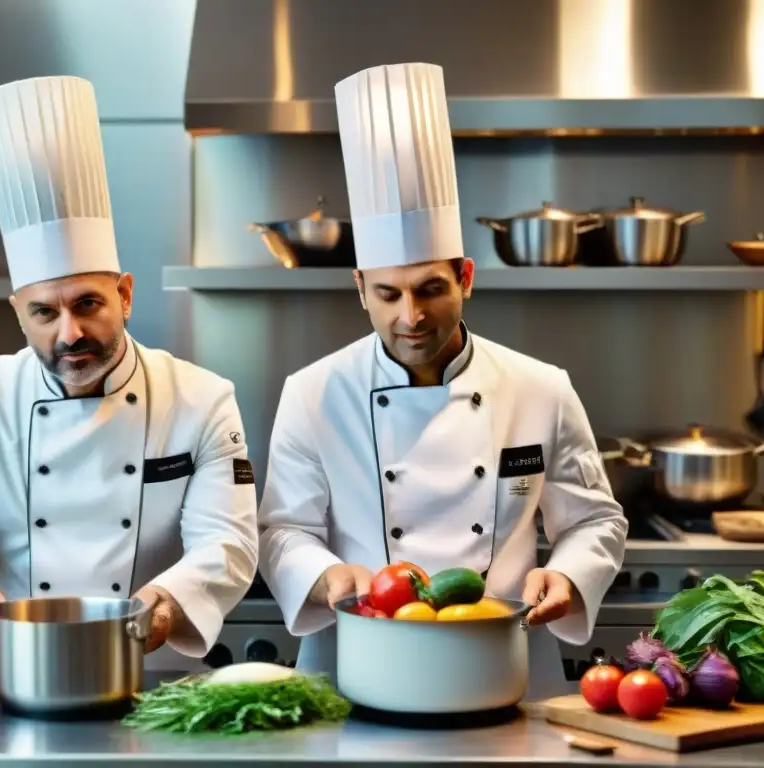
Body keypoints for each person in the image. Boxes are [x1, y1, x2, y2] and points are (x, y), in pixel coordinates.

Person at [257, 62, 628, 702]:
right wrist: (326, 577)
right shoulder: (313, 392)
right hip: (356, 663)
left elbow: (595, 521)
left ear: (467, 278)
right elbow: (281, 530)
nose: (411, 316)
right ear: (360, 291)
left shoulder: (540, 388)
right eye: (388, 294)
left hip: (501, 661)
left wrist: (567, 576)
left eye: (432, 288)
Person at [0, 75, 259, 671]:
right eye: (44, 312)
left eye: (88, 303)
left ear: (125, 295)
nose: (69, 333)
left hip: (153, 672)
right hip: (13, 668)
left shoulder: (202, 400)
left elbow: (229, 541)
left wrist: (164, 604)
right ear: (18, 311)